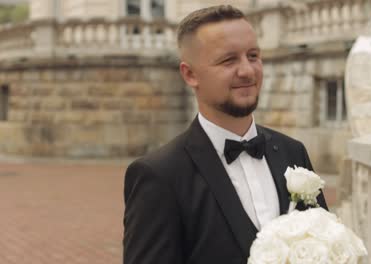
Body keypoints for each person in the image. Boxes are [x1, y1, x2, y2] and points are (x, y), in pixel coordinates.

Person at [123, 5, 327, 264]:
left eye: (253, 56)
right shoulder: (160, 175)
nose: (247, 71)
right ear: (190, 74)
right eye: (228, 60)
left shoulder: (293, 152)